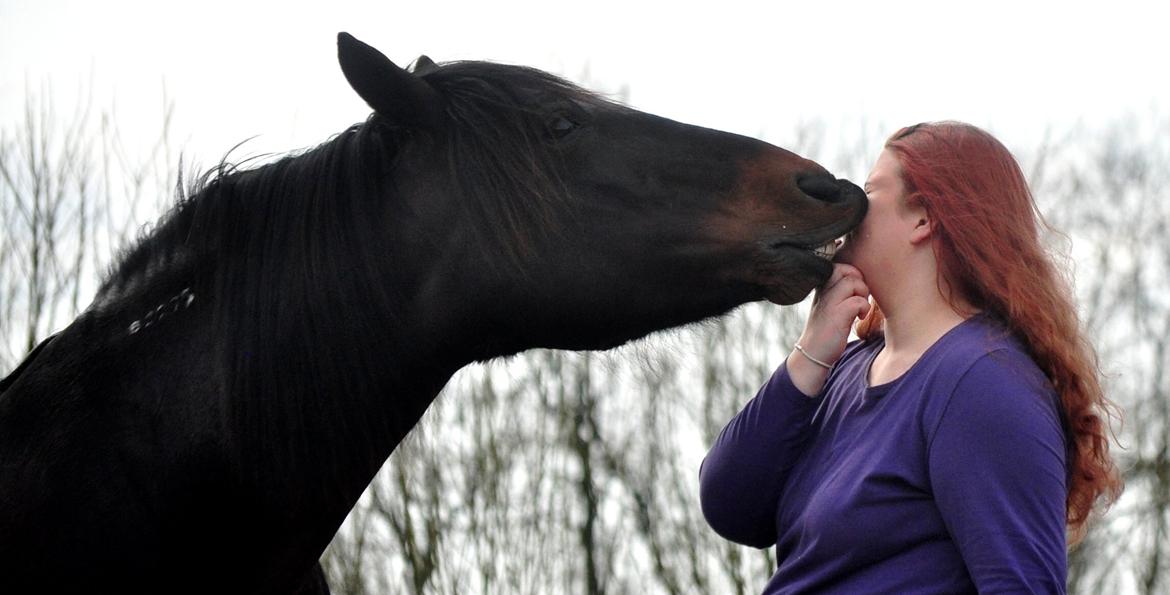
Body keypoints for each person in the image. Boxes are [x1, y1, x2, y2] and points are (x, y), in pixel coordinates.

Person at [699, 121, 1122, 593]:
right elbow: (730, 505)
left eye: (869, 192)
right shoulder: (846, 368)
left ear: (923, 218)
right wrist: (810, 354)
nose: (850, 210)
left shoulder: (984, 382)